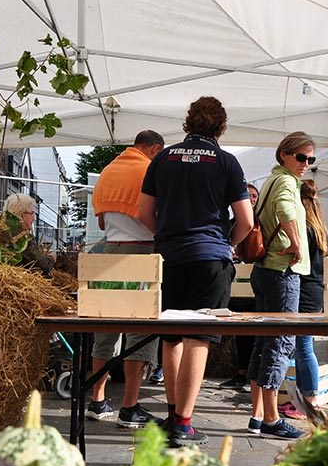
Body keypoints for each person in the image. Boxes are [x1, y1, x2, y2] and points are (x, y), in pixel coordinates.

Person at [139, 96, 253, 447]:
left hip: (170, 258)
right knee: (198, 339)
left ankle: (172, 415)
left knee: (171, 337)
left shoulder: (162, 158)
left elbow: (145, 213)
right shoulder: (226, 162)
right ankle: (184, 424)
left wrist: (167, 236)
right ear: (221, 127)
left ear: (188, 123)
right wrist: (228, 243)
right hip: (210, 259)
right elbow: (246, 220)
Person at [85, 130, 165, 428]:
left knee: (105, 330)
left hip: (108, 251)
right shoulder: (147, 169)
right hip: (141, 254)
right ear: (154, 149)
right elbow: (151, 216)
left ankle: (97, 399)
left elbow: (101, 219)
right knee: (139, 332)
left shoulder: (108, 171)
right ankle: (130, 406)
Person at [246, 131, 315, 441]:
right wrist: (298, 244)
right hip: (282, 270)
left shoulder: (271, 181)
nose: (306, 164)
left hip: (265, 270)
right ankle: (272, 419)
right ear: (285, 154)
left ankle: (257, 415)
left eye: (311, 160)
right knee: (280, 342)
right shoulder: (286, 182)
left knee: (264, 343)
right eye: (301, 157)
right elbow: (287, 211)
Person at [279, 179, 328, 420]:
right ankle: (306, 399)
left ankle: (309, 401)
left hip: (306, 289)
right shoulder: (318, 226)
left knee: (303, 346)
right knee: (303, 345)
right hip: (315, 289)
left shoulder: (304, 227)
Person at [222, 182, 261, 390]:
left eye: (254, 196)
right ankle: (241, 373)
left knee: (255, 332)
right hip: (238, 285)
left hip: (256, 283)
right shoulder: (230, 224)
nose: (251, 199)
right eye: (248, 195)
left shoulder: (263, 222)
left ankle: (250, 375)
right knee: (241, 331)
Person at [0, 194, 56, 275]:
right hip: (17, 280)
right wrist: (52, 258)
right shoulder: (22, 237)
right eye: (32, 213)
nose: (33, 218)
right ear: (22, 215)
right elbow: (42, 265)